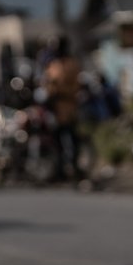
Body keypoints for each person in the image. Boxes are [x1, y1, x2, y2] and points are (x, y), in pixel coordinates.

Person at [40, 35, 82, 181]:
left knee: (65, 140)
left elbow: (54, 86)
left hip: (63, 108)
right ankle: (64, 168)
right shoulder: (62, 64)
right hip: (62, 108)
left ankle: (69, 168)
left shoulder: (63, 65)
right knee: (60, 140)